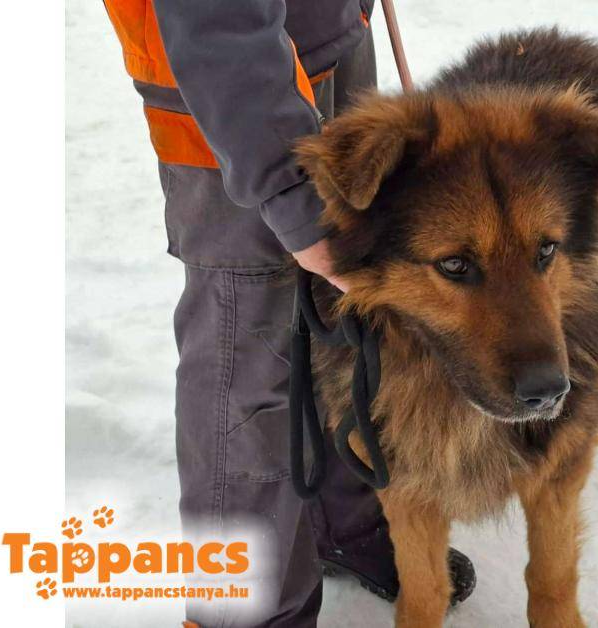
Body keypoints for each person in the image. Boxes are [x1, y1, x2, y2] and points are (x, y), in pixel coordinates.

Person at [101, 1, 475, 625]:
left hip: (329, 38)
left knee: (340, 325)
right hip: (227, 83)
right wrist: (289, 185)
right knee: (246, 358)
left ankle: (343, 521)